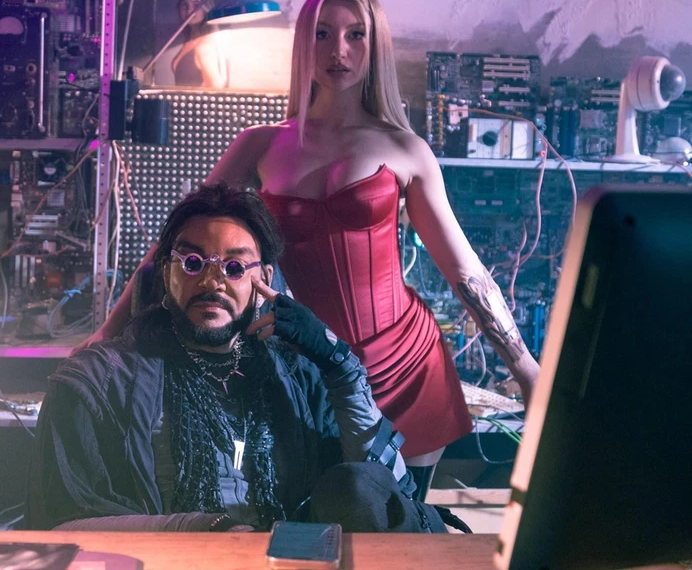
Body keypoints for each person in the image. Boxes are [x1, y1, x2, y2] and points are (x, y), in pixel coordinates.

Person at [79, 0, 540, 501]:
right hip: (303, 371)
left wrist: (527, 371)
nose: (338, 50)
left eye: (355, 35)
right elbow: (174, 249)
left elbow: (464, 270)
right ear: (304, 43)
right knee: (307, 520)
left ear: (375, 45)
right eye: (323, 34)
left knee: (404, 525)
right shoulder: (260, 143)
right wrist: (106, 333)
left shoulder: (406, 149)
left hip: (407, 367)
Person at [26, 184, 461, 534]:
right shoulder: (100, 380)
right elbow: (61, 523)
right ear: (167, 272)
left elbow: (386, 496)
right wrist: (202, 530)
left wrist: (338, 363)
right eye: (193, 262)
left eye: (234, 268)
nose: (212, 281)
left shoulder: (299, 377)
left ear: (264, 279)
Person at [171, 0, 227, 88]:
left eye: (196, 5)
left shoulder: (205, 46)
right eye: (184, 4)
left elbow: (216, 90)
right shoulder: (190, 41)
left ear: (206, 8)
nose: (189, 10)